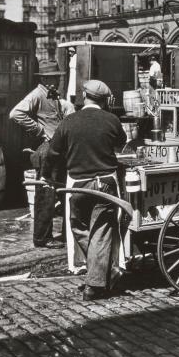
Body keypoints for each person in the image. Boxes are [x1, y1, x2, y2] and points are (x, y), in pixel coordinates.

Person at [48, 79, 127, 300]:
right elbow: (121, 142)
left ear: (85, 96)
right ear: (105, 101)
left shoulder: (69, 121)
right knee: (100, 232)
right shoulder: (112, 120)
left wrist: (47, 176)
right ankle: (99, 278)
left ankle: (98, 276)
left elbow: (52, 153)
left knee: (78, 227)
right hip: (105, 183)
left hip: (78, 185)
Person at [9, 64, 75, 247]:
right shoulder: (37, 94)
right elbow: (15, 114)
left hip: (58, 150)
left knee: (59, 191)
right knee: (46, 194)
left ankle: (63, 234)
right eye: (54, 78)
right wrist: (39, 130)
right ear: (45, 79)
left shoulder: (52, 95)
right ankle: (42, 238)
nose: (58, 80)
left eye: (58, 77)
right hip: (48, 151)